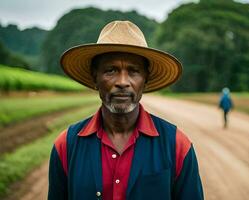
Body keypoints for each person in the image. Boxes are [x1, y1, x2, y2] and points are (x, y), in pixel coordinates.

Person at [48, 20, 204, 200]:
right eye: (111, 70)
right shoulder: (66, 146)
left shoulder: (177, 146)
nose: (122, 82)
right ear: (95, 78)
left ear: (146, 79)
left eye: (133, 71)